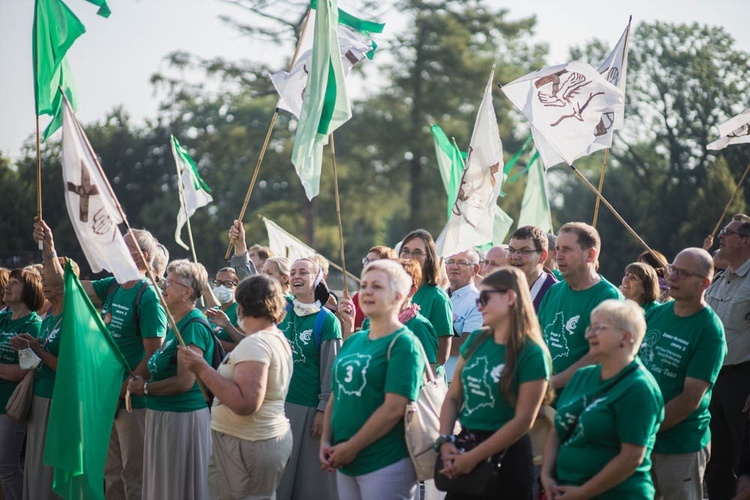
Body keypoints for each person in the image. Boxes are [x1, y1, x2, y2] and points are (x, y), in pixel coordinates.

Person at [34, 220, 167, 500]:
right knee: (111, 473)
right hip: (107, 395)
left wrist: (127, 386)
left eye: (124, 247)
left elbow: (154, 352)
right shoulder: (114, 285)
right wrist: (49, 249)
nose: (115, 250)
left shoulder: (148, 296)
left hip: (132, 401)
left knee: (134, 476)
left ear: (139, 257)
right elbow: (62, 285)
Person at [437, 267, 552, 499]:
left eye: (485, 298)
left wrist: (473, 458)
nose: (479, 306)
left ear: (510, 297)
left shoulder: (532, 353)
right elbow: (453, 397)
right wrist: (445, 441)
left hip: (507, 460)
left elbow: (523, 421)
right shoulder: (478, 339)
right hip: (465, 446)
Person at [179, 274, 294, 499]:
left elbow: (245, 403)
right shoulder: (273, 337)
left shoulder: (257, 343)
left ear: (242, 306)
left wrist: (201, 368)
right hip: (253, 442)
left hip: (247, 445)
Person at [321, 259, 425, 500]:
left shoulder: (404, 344)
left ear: (398, 295)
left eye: (377, 287)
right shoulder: (355, 340)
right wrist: (327, 442)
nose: (366, 292)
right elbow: (337, 395)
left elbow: (394, 409)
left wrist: (351, 447)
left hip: (384, 462)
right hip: (344, 461)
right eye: (364, 285)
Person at [541, 299, 664, 499]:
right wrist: (546, 476)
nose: (590, 334)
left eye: (600, 328)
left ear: (626, 337)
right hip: (563, 489)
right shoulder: (582, 376)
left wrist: (582, 493)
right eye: (590, 327)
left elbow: (631, 457)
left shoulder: (639, 388)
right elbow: (558, 429)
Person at [641, 248, 726, 500]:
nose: (673, 277)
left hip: (679, 446)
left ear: (705, 283)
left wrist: (646, 428)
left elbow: (690, 399)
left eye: (683, 273)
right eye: (672, 270)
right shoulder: (655, 314)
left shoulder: (710, 331)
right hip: (640, 438)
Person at [127, 259, 215, 500]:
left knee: (177, 489)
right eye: (164, 280)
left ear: (188, 292)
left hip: (182, 420)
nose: (162, 286)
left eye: (170, 282)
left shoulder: (193, 326)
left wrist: (145, 389)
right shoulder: (174, 325)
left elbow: (184, 382)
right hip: (163, 418)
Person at [14, 223, 76, 500]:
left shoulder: (73, 319)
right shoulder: (49, 317)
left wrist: (37, 349)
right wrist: (27, 349)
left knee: (49, 474)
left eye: (52, 280)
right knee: (34, 468)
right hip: (40, 397)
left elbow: (69, 368)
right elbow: (37, 359)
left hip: (57, 401)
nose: (45, 285)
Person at [277, 258, 342, 500]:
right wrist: (241, 250)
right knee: (279, 478)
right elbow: (256, 285)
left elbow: (330, 370)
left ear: (316, 279)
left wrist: (323, 409)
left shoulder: (327, 321)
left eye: (303, 272)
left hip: (308, 408)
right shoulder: (281, 309)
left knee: (309, 481)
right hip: (278, 404)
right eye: (293, 272)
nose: (297, 276)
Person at [537, 222, 622, 396]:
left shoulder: (608, 298)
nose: (558, 256)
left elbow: (599, 355)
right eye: (557, 249)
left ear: (590, 254)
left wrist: (551, 384)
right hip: (542, 401)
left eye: (566, 249)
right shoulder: (554, 291)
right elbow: (535, 339)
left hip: (580, 406)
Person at [705, 215, 750, 500]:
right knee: (715, 464)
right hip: (713, 380)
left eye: (727, 233)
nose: (720, 237)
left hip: (742, 383)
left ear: (746, 240)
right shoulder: (720, 280)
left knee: (744, 466)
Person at [0, 268, 43, 500]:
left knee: (7, 466)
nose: (7, 286)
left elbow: (22, 373)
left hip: (11, 407)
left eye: (15, 283)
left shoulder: (33, 325)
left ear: (29, 291)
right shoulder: (3, 318)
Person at [399, 229, 453, 373]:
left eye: (417, 252)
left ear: (429, 258)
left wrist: (403, 358)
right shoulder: (391, 294)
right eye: (405, 250)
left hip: (424, 379)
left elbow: (442, 355)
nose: (410, 257)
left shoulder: (438, 299)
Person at [444, 249, 483, 381]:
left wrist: (422, 339)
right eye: (450, 262)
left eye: (461, 262)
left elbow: (465, 345)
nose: (454, 266)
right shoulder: (438, 296)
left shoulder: (478, 302)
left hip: (456, 381)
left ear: (475, 269)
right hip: (432, 378)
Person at [508, 226, 558, 311]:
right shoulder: (501, 289)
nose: (515, 256)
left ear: (542, 256)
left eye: (524, 251)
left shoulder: (555, 293)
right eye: (511, 250)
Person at [352, 246, 397, 332]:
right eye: (366, 261)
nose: (367, 265)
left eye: (372, 261)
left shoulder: (391, 298)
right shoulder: (358, 296)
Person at [204, 267, 242, 353]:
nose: (221, 287)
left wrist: (210, 341)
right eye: (218, 283)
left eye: (227, 283)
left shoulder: (239, 310)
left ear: (237, 285)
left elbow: (242, 346)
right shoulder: (213, 311)